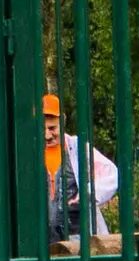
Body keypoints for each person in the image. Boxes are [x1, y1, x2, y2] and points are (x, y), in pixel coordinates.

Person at [42, 92, 120, 252]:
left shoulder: (77, 148)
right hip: (41, 243)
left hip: (78, 240)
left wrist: (89, 193)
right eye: (41, 128)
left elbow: (113, 175)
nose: (47, 135)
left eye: (52, 128)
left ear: (62, 121)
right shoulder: (29, 154)